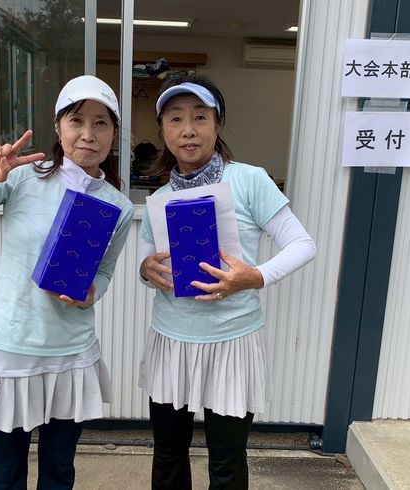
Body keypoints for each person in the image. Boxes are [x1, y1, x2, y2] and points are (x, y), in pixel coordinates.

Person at [0, 75, 134, 489]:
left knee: (59, 470)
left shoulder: (118, 206)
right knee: (5, 472)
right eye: (76, 121)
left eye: (101, 123)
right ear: (58, 127)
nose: (88, 134)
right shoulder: (23, 178)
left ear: (113, 133)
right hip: (12, 349)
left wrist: (92, 293)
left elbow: (105, 271)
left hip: (71, 354)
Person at [138, 74, 317, 489]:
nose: (188, 130)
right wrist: (146, 270)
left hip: (233, 342)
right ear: (163, 130)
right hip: (172, 340)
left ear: (217, 124)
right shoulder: (160, 198)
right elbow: (149, 269)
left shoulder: (249, 180)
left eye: (200, 117)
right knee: (168, 452)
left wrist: (255, 277)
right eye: (175, 119)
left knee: (227, 459)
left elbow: (302, 244)